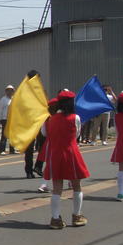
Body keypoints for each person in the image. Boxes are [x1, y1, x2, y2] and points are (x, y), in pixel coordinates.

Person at [43, 90, 90, 229]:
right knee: (76, 186)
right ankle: (77, 216)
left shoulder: (51, 119)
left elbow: (45, 134)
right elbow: (76, 135)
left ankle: (55, 219)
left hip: (55, 154)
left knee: (57, 188)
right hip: (71, 153)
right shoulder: (75, 117)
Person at [0, 85, 15, 155]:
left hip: (13, 119)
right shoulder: (3, 99)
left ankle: (12, 149)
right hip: (5, 119)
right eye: (8, 90)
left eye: (12, 90)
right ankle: (2, 150)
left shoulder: (13, 99)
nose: (10, 92)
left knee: (12, 135)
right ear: (6, 91)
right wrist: (0, 119)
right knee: (4, 135)